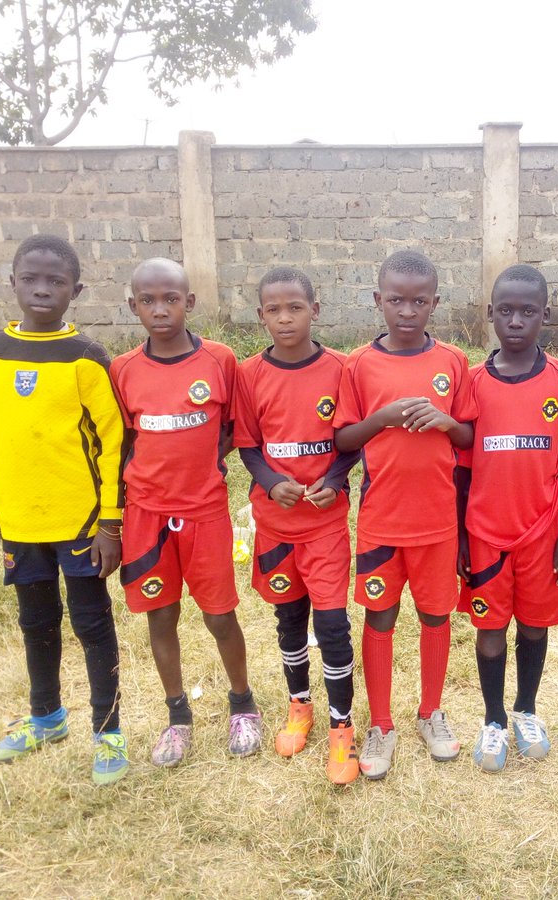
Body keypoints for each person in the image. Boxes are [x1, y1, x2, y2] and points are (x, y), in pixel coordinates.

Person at [0, 234, 128, 785]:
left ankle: (109, 732)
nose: (41, 289)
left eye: (55, 282)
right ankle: (47, 717)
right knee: (36, 623)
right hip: (20, 522)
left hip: (79, 522)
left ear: (75, 291)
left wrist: (110, 521)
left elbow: (113, 443)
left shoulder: (86, 357)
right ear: (12, 283)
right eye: (30, 278)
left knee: (92, 624)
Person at [111, 258, 260, 767]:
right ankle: (178, 716)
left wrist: (201, 472)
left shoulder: (220, 360)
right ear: (133, 306)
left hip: (205, 514)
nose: (160, 309)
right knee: (161, 615)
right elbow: (124, 442)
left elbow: (229, 430)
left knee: (220, 615)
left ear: (189, 303)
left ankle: (243, 703)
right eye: (147, 301)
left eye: (171, 299)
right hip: (146, 517)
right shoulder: (123, 369)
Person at [334, 249, 478, 780]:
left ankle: (430, 712)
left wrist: (443, 420)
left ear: (435, 304)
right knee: (380, 616)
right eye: (396, 300)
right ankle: (382, 724)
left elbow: (468, 437)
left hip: (438, 523)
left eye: (419, 301)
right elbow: (344, 438)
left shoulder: (453, 362)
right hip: (381, 522)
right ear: (378, 301)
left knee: (436, 616)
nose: (407, 311)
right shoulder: (359, 365)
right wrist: (384, 418)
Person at [233, 266, 361, 785]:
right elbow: (248, 444)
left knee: (332, 625)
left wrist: (335, 476)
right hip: (274, 525)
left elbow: (350, 439)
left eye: (295, 308)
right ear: (260, 315)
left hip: (325, 526)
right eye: (273, 310)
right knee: (289, 618)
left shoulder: (341, 369)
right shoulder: (248, 375)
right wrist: (268, 481)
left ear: (315, 308)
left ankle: (341, 728)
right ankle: (300, 706)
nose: (284, 318)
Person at [456, 265, 558, 773]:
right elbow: (461, 469)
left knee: (534, 626)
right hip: (485, 533)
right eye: (505, 311)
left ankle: (526, 710)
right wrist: (462, 535)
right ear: (490, 315)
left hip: (544, 530)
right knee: (490, 628)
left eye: (527, 311)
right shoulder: (470, 383)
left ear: (545, 315)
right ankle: (492, 719)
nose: (515, 321)